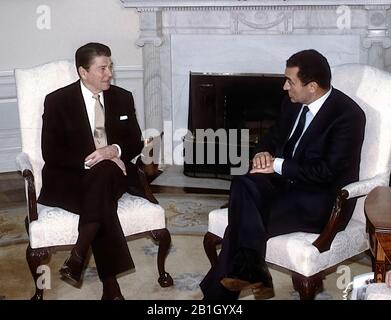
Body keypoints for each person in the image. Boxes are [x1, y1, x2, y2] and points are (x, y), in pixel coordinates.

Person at [200, 49, 366, 300]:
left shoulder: (348, 116)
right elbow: (273, 136)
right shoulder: (292, 103)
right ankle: (255, 276)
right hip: (284, 186)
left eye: (290, 81)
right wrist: (262, 154)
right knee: (243, 183)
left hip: (320, 201)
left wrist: (276, 165)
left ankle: (216, 300)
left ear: (312, 86)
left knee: (241, 223)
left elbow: (326, 172)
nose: (284, 86)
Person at [38, 42, 145, 300]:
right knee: (100, 198)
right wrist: (92, 160)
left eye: (111, 66)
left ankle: (79, 252)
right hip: (72, 180)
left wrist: (114, 150)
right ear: (83, 72)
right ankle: (110, 286)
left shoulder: (122, 97)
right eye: (102, 68)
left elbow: (135, 141)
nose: (110, 73)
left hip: (113, 175)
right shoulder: (57, 101)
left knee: (106, 171)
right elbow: (50, 152)